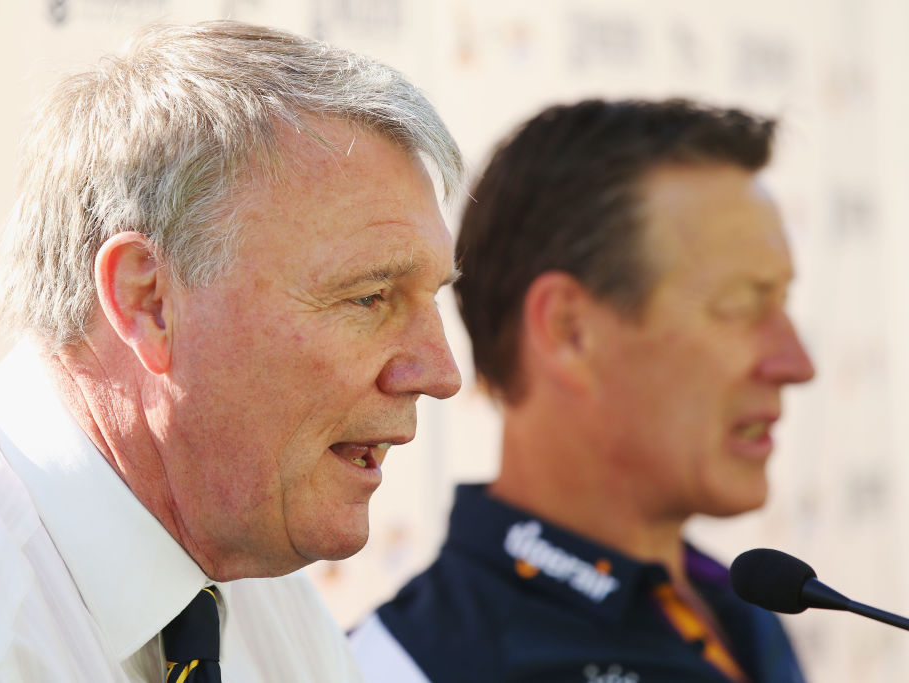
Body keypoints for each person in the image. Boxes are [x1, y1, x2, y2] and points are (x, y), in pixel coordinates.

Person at [0, 20, 464, 681]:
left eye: (432, 296)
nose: (440, 373)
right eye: (369, 297)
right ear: (149, 300)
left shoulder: (254, 572)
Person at [349, 99, 816, 682]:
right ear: (569, 331)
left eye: (782, 304)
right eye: (740, 305)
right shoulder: (392, 667)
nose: (796, 364)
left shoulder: (744, 608)